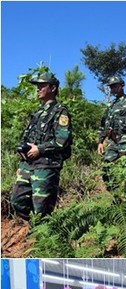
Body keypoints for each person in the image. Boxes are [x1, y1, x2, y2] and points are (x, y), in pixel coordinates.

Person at [10, 72, 72, 220]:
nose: (38, 89)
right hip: (28, 165)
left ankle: (43, 233)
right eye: (37, 86)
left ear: (53, 88)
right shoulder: (38, 113)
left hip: (46, 166)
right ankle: (37, 227)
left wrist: (40, 149)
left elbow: (62, 141)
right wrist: (22, 154)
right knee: (16, 201)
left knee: (42, 208)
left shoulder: (60, 112)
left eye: (42, 85)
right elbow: (26, 137)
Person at [97, 76, 126, 195]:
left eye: (115, 86)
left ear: (122, 86)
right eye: (111, 87)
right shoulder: (110, 106)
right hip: (113, 141)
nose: (113, 89)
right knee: (106, 169)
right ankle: (116, 197)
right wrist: (100, 141)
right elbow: (103, 124)